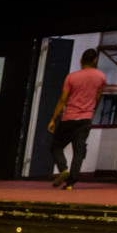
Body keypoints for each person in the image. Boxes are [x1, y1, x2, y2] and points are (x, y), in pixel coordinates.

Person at [47, 48, 107, 190]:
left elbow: (63, 99)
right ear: (95, 60)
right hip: (85, 118)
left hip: (69, 117)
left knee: (56, 146)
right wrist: (91, 110)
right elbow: (98, 96)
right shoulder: (101, 77)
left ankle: (63, 170)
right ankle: (70, 184)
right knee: (79, 151)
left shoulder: (71, 77)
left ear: (81, 60)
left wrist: (53, 118)